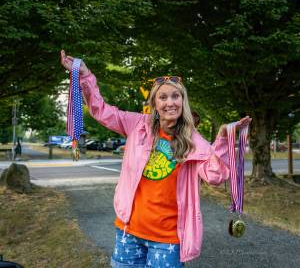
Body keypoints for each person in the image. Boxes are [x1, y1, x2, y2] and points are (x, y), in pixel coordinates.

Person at [60, 50, 251, 267]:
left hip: (167, 240)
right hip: (128, 231)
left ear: (183, 101)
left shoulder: (194, 141)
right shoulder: (137, 125)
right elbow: (101, 110)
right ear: (154, 104)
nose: (170, 102)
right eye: (163, 97)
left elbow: (216, 176)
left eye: (175, 96)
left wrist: (224, 138)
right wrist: (85, 76)